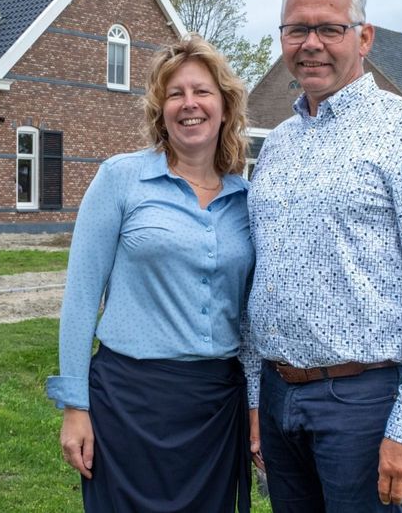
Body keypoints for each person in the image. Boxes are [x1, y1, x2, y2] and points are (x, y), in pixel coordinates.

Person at [244, 0, 402, 512]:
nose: (311, 44)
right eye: (297, 29)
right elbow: (261, 274)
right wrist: (256, 397)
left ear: (363, 37)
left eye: (329, 28)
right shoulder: (276, 146)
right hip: (279, 398)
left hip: (363, 403)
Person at [46, 35, 254, 513]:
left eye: (202, 92)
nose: (189, 104)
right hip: (129, 403)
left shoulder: (246, 199)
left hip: (214, 407)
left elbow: (252, 315)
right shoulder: (120, 178)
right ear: (160, 110)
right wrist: (75, 408)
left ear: (224, 105)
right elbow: (80, 300)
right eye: (175, 94)